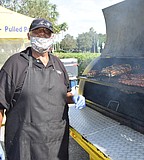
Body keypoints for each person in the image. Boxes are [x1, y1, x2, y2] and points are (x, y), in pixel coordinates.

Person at [0, 18, 85, 160]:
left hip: (57, 146)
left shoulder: (58, 64)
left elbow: (62, 95)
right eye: (37, 33)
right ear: (29, 36)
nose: (42, 37)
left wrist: (73, 97)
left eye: (46, 34)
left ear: (52, 37)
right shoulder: (15, 64)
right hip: (24, 147)